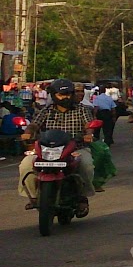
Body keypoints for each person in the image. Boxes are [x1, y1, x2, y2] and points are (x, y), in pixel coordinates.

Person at [17, 78, 98, 210]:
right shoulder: (46, 110)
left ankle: (83, 197)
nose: (65, 98)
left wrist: (89, 134)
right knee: (26, 165)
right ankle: (34, 197)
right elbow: (33, 124)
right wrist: (28, 132)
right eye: (61, 95)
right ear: (53, 95)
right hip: (47, 151)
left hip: (75, 149)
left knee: (86, 165)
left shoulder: (81, 109)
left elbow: (89, 125)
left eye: (67, 94)